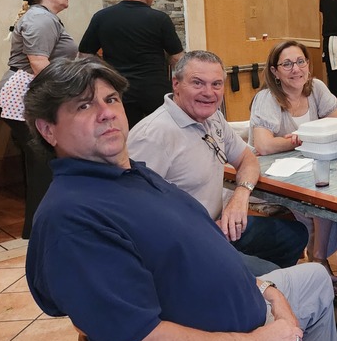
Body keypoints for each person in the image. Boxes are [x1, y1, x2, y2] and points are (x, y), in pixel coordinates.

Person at [23, 57, 337, 341]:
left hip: (231, 325)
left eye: (110, 99)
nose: (106, 113)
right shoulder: (73, 219)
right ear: (48, 129)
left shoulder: (129, 175)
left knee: (314, 278)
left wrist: (264, 290)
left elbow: (197, 250)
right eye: (83, 105)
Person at [128, 50, 308, 274]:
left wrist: (240, 196)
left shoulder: (213, 118)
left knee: (294, 235)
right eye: (197, 83)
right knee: (269, 272)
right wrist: (197, 233)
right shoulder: (152, 136)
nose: (208, 93)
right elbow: (137, 216)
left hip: (217, 228)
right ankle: (256, 289)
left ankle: (257, 292)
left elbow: (248, 159)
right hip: (183, 246)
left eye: (216, 84)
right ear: (176, 84)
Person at [249, 41, 337, 286]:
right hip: (270, 180)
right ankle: (319, 261)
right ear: (275, 71)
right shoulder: (267, 98)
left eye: (300, 61)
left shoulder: (316, 89)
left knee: (331, 194)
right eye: (287, 64)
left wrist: (299, 140)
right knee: (321, 199)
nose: (296, 69)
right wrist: (304, 139)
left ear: (308, 64)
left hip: (307, 171)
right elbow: (264, 145)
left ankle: (317, 258)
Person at [0, 0, 77, 238]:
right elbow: (39, 64)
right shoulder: (40, 18)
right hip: (22, 97)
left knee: (44, 162)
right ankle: (41, 230)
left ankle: (43, 227)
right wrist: (71, 92)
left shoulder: (45, 17)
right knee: (44, 163)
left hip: (31, 94)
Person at [78, 0, 184, 126]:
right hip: (154, 89)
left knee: (124, 132)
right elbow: (177, 58)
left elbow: (84, 55)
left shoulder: (101, 17)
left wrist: (105, 71)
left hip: (119, 89)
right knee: (163, 131)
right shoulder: (159, 19)